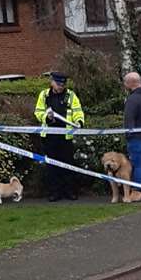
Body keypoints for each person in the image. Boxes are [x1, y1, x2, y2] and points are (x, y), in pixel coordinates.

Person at [33, 72, 84, 201]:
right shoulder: (44, 95)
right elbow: (38, 112)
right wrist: (47, 117)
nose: (61, 86)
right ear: (52, 82)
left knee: (67, 165)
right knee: (51, 167)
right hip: (49, 136)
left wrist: (79, 122)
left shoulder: (70, 95)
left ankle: (69, 191)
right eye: (58, 84)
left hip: (65, 137)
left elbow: (77, 111)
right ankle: (54, 193)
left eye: (63, 84)